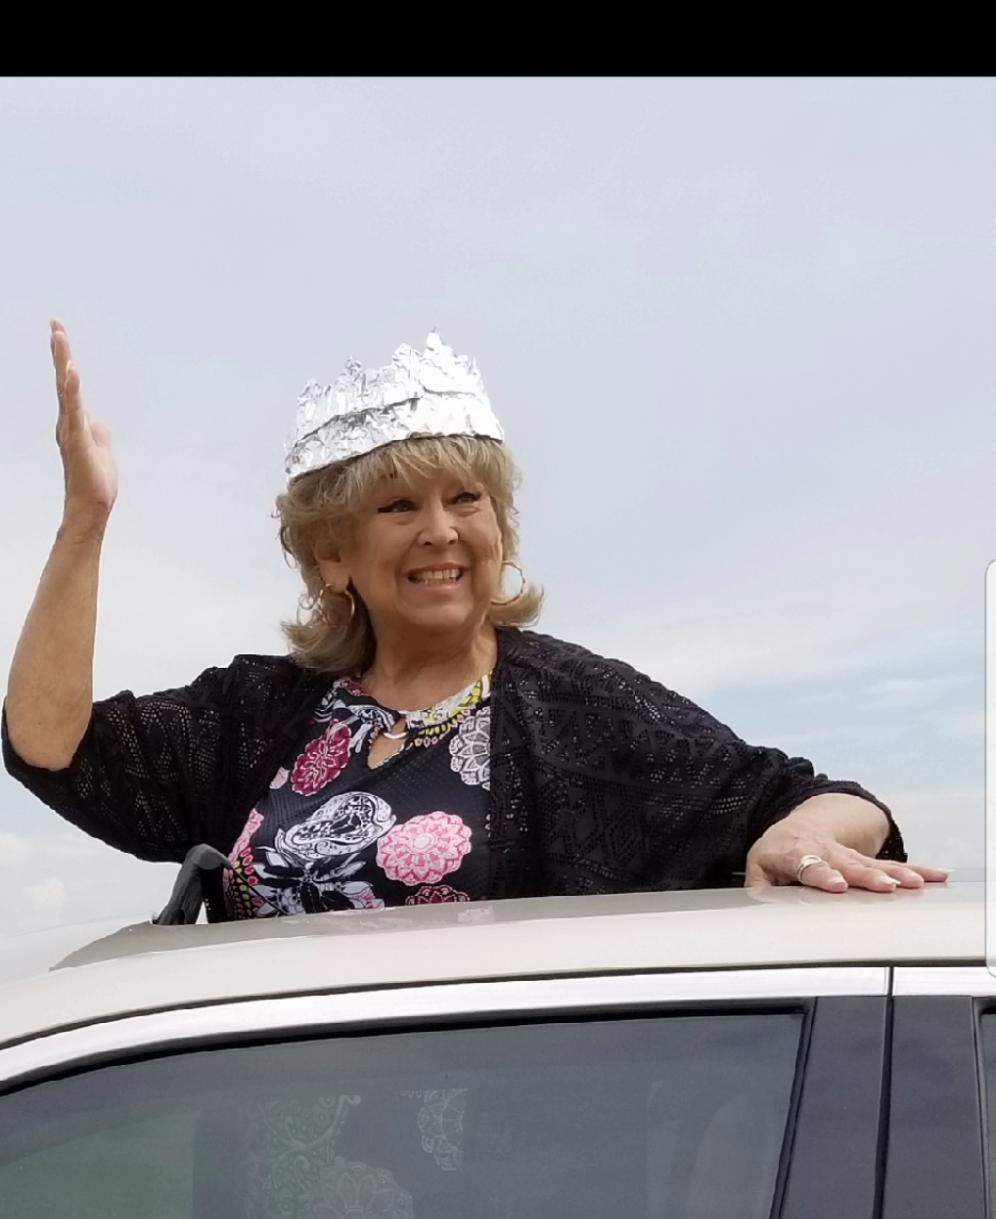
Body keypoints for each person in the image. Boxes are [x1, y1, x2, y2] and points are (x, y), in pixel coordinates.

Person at [2, 323, 946, 923]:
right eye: (398, 506)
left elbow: (828, 802)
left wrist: (800, 836)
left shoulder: (577, 709)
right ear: (332, 555)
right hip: (265, 1149)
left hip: (495, 1158)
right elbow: (52, 747)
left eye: (466, 498)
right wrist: (86, 521)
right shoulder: (259, 714)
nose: (441, 530)